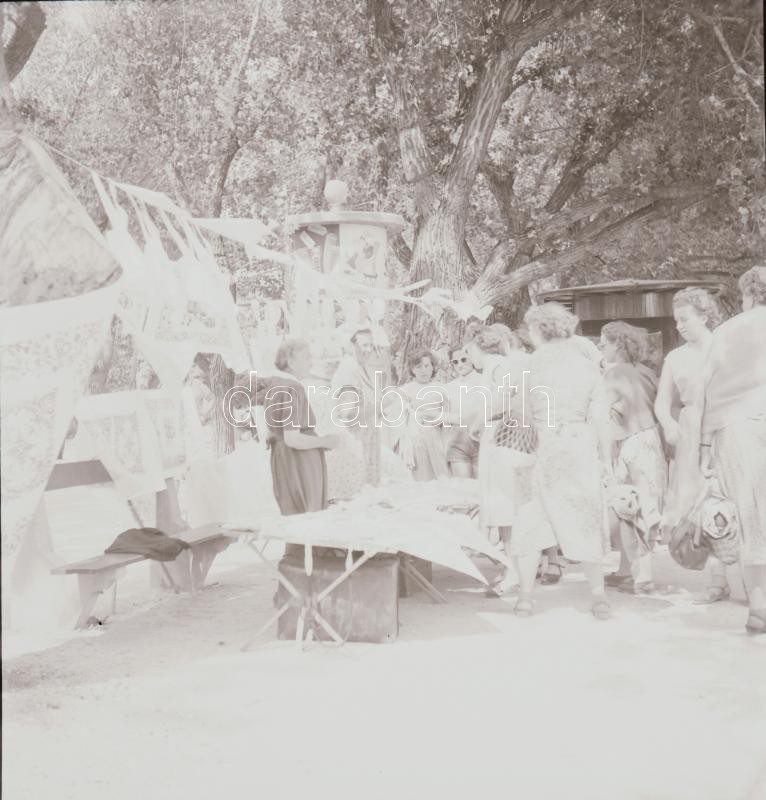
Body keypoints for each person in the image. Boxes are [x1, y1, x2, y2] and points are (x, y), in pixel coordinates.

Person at [510, 302, 613, 619]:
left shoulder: (530, 364)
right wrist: (607, 460)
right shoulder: (586, 365)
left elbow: (521, 413)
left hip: (544, 445)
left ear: (539, 329)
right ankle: (598, 596)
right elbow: (600, 417)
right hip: (579, 445)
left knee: (532, 519)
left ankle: (526, 597)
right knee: (586, 518)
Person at [699, 266, 766, 634]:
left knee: (749, 515)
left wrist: (704, 445)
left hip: (736, 427)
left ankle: (759, 607)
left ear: (749, 295)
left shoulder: (727, 331)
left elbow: (706, 389)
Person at [655, 288, 729, 603]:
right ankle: (717, 581)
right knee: (700, 502)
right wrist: (668, 423)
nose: (679, 326)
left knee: (728, 497)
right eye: (676, 320)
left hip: (723, 425)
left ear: (704, 315)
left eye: (685, 319)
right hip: (690, 431)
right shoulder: (675, 358)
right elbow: (661, 402)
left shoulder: (725, 347)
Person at [466, 325, 535, 595]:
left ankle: (513, 571)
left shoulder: (495, 364)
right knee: (506, 505)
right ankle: (512, 568)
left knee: (504, 505)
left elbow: (500, 400)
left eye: (470, 350)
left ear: (480, 347)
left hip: (500, 433)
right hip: (508, 433)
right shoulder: (506, 364)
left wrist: (477, 422)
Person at [600, 321, 667, 594]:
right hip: (650, 439)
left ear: (617, 344)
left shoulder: (613, 374)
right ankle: (627, 570)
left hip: (628, 441)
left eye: (604, 342)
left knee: (629, 506)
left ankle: (643, 576)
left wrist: (604, 456)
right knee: (645, 504)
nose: (600, 346)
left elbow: (603, 416)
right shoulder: (646, 372)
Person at [261, 339, 340, 529]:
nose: (311, 362)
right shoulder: (292, 388)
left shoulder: (274, 384)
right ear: (291, 361)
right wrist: (325, 441)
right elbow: (293, 438)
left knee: (294, 520)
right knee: (310, 520)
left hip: (283, 460)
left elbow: (271, 433)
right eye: (307, 357)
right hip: (300, 462)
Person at [330, 327, 382, 486]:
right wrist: (381, 405)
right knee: (358, 493)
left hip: (366, 443)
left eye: (371, 345)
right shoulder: (349, 371)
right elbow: (348, 415)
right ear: (351, 346)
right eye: (364, 345)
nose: (369, 349)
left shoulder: (360, 368)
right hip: (354, 446)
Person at [397, 348, 450, 481]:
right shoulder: (405, 390)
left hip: (438, 436)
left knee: (442, 476)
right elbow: (400, 420)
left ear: (433, 367)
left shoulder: (441, 388)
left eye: (427, 366)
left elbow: (448, 416)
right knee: (421, 477)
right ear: (412, 369)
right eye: (418, 367)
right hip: (415, 439)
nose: (423, 370)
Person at [443, 345, 484, 478]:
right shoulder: (449, 387)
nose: (460, 364)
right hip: (458, 445)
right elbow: (447, 420)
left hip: (481, 442)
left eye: (463, 359)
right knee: (462, 487)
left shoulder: (484, 381)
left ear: (472, 358)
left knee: (481, 487)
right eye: (455, 362)